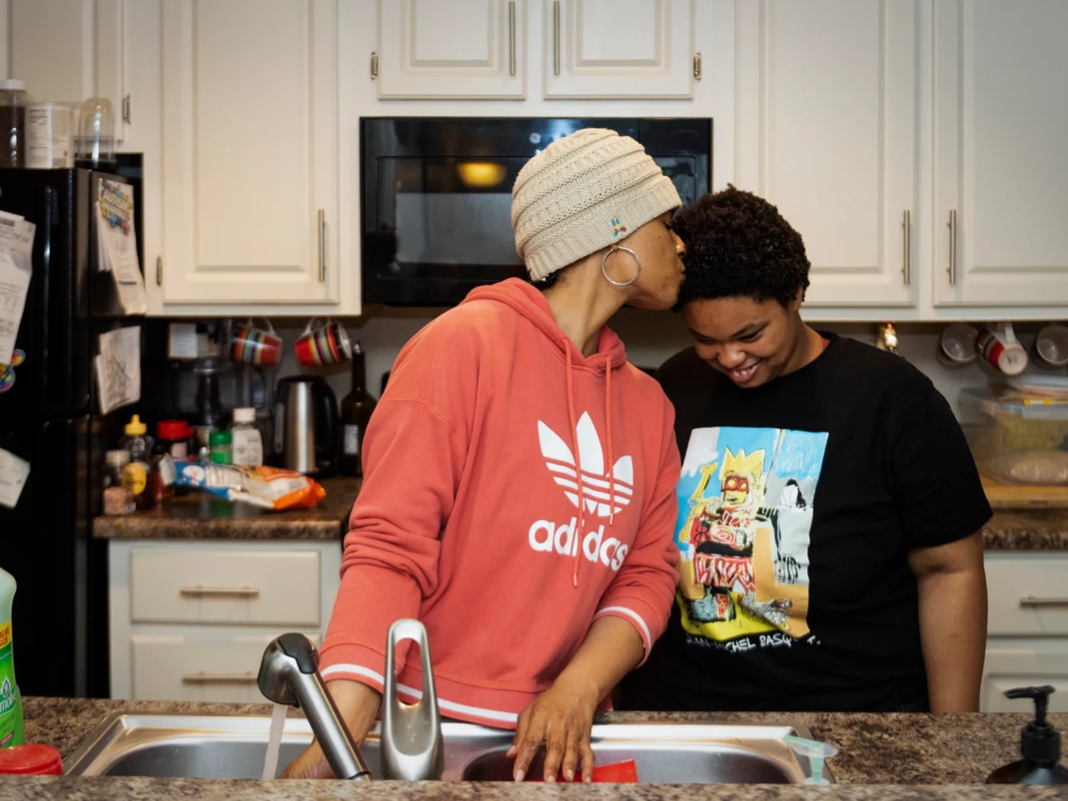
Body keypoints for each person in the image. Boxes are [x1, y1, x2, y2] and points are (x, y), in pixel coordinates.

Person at [281, 128, 686, 782]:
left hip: (558, 736)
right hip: (429, 728)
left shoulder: (649, 405)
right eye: (666, 221)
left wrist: (577, 689)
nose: (680, 242)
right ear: (614, 235)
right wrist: (339, 739)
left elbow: (647, 575)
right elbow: (389, 546)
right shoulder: (460, 350)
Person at [618, 186, 992, 714]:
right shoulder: (676, 385)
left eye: (751, 333)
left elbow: (949, 569)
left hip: (850, 718)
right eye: (705, 339)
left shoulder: (891, 398)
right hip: (687, 710)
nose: (730, 357)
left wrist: (953, 736)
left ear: (795, 294)